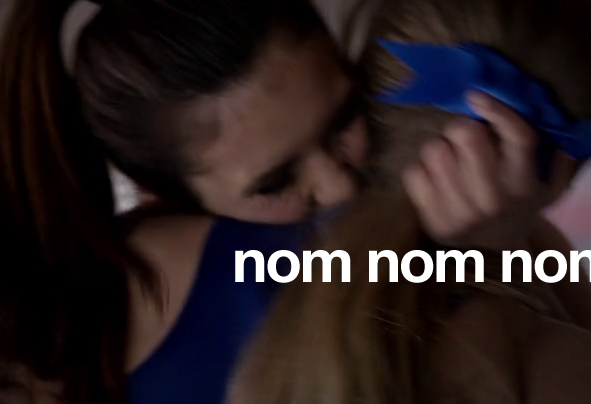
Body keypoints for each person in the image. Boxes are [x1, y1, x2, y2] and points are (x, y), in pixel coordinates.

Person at [0, 0, 567, 403]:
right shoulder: (288, 280)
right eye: (275, 182)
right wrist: (502, 249)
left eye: (343, 121)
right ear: (164, 193)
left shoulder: (92, 278)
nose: (339, 187)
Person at [229, 0, 591, 403]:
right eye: (276, 182)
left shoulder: (289, 339)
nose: (335, 189)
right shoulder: (558, 358)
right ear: (564, 168)